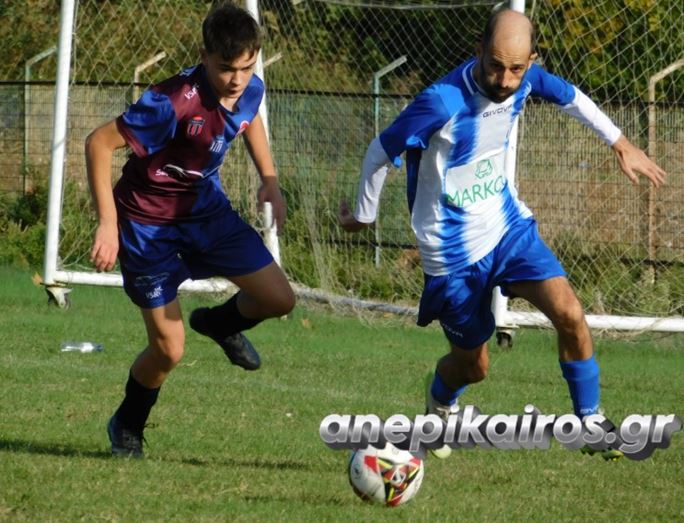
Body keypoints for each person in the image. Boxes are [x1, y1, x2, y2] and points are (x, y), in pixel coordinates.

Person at [338, 8, 666, 461]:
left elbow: (572, 97)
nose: (505, 80)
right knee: (474, 367)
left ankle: (590, 421)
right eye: (495, 66)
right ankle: (440, 402)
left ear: (531, 60)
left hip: (507, 229)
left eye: (516, 68)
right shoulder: (443, 102)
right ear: (478, 50)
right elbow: (380, 151)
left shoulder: (525, 79)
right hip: (451, 256)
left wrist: (620, 143)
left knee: (570, 313)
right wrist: (364, 216)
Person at [86, 1, 295, 458]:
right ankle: (127, 424)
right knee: (169, 350)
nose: (237, 79)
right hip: (147, 225)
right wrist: (108, 223)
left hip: (205, 212)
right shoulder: (170, 102)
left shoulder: (249, 87)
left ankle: (218, 323)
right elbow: (98, 143)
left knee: (279, 299)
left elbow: (250, 118)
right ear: (204, 57)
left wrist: (270, 179)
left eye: (246, 67)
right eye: (226, 69)